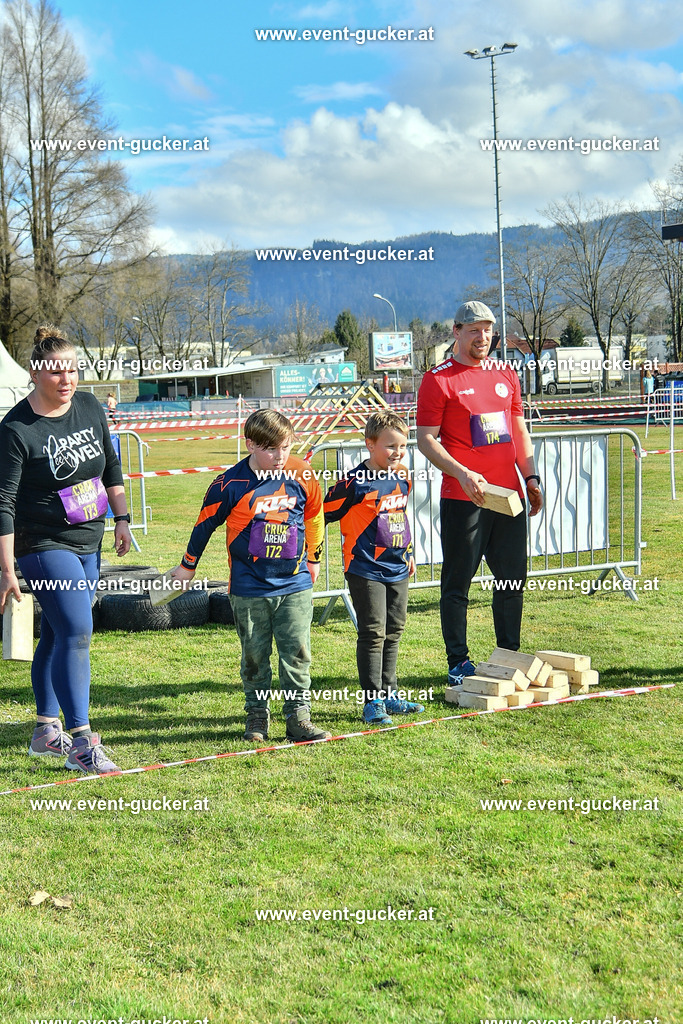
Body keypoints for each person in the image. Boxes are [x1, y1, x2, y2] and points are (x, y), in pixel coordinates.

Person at [0, 326, 132, 773]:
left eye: (72, 370)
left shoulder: (90, 406)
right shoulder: (16, 429)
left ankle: (44, 732)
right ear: (35, 373)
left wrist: (122, 518)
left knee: (57, 632)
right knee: (77, 628)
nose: (67, 379)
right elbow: (3, 502)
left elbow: (111, 465)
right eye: (56, 371)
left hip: (88, 538)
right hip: (41, 543)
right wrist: (6, 569)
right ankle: (81, 742)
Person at [170, 410, 331, 743]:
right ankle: (257, 716)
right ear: (250, 445)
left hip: (295, 582)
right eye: (271, 449)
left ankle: (298, 718)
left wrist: (314, 558)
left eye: (285, 447)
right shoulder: (230, 484)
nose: (280, 456)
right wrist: (188, 566)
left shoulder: (302, 473)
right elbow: (204, 524)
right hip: (248, 586)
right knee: (255, 656)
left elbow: (315, 515)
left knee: (297, 652)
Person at [416, 301, 543, 687]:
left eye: (488, 330)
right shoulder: (438, 380)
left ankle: (509, 654)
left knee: (512, 580)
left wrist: (531, 477)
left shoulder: (506, 373)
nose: (482, 337)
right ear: (456, 332)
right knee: (458, 584)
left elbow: (518, 430)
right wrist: (462, 472)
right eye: (474, 330)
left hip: (508, 497)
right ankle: (458, 662)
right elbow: (425, 440)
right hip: (464, 498)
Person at [324, 411, 424, 725]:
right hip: (364, 567)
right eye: (390, 446)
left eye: (403, 446)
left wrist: (408, 551)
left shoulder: (403, 475)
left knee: (394, 630)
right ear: (370, 444)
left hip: (398, 565)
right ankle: (372, 702)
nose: (398, 452)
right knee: (373, 632)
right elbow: (321, 513)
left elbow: (400, 515)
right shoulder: (353, 483)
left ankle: (390, 694)